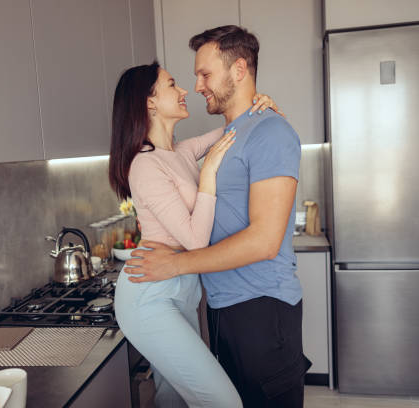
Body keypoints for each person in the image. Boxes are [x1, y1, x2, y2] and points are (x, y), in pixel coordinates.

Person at [126, 25, 311, 407]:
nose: (195, 86)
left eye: (204, 74)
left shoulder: (269, 133)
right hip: (223, 307)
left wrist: (177, 265)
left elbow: (264, 240)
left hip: (260, 307)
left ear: (238, 71)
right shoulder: (229, 134)